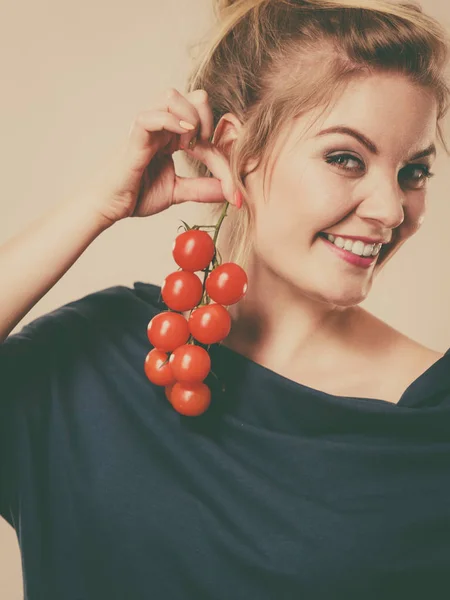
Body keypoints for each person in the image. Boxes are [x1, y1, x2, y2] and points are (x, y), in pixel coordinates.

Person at [1, 0, 450, 598]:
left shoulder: (432, 424)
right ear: (239, 151)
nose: (392, 211)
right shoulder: (89, 356)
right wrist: (96, 205)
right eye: (346, 159)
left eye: (413, 173)